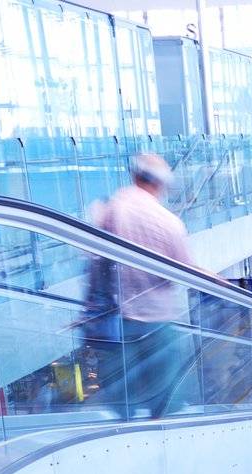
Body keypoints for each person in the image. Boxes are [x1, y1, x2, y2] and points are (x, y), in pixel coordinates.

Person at [95, 152, 197, 419]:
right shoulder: (168, 222)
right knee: (165, 396)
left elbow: (98, 262)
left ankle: (124, 440)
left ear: (134, 176)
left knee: (122, 394)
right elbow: (184, 270)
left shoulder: (111, 209)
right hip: (158, 320)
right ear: (160, 184)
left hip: (119, 320)